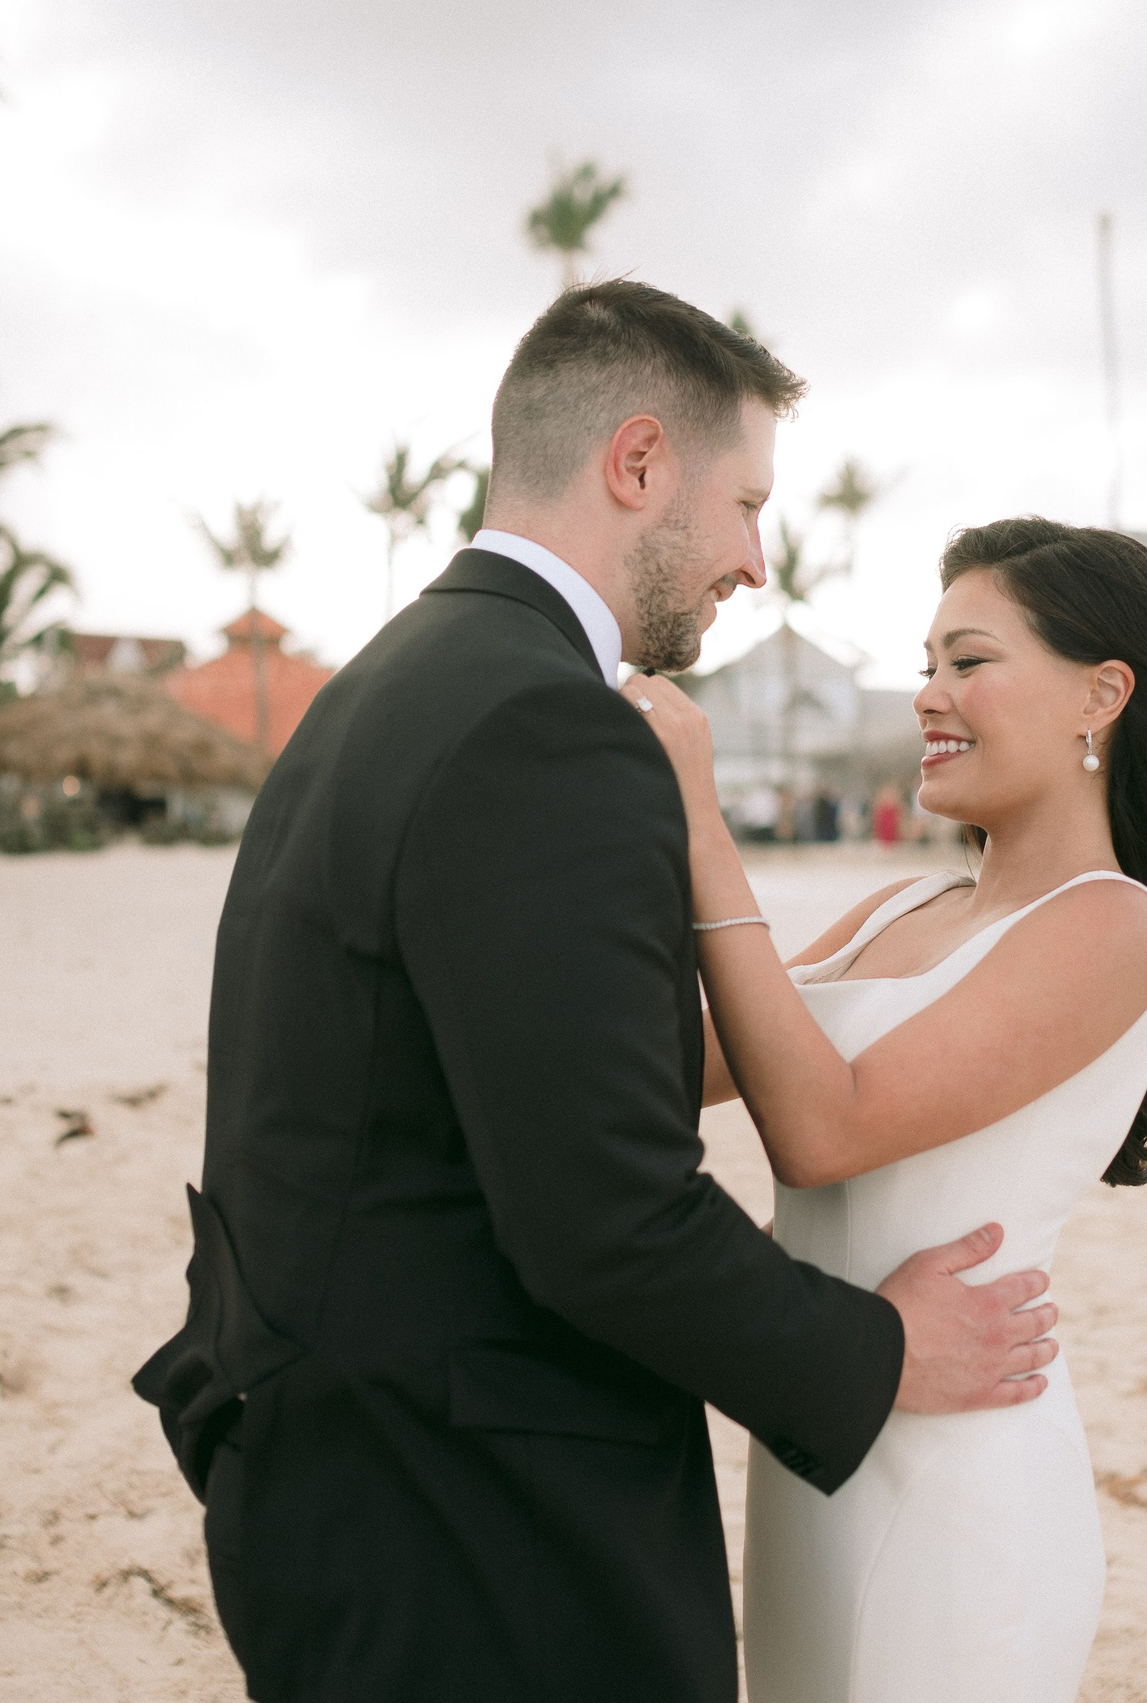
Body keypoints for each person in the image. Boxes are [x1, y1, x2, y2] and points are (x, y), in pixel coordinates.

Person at [131, 281, 1060, 1703]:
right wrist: (878, 1349)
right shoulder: (544, 725)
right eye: (746, 502)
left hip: (327, 1452)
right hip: (466, 1522)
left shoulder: (394, 680)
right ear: (637, 464)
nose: (755, 559)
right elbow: (603, 1216)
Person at [629, 516, 1147, 1702]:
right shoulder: (895, 909)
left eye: (968, 661)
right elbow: (668, 1065)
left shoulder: (1112, 924)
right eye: (924, 665)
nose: (929, 695)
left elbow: (823, 1126)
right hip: (824, 1435)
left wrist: (701, 825)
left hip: (960, 1484)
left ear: (1099, 694)